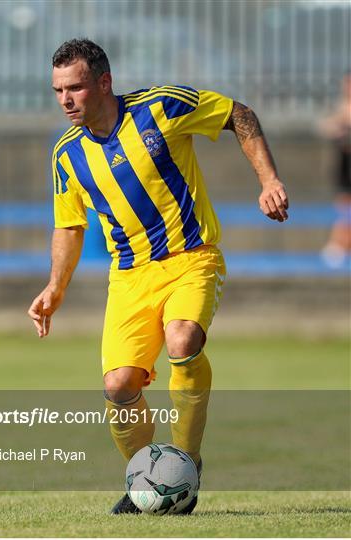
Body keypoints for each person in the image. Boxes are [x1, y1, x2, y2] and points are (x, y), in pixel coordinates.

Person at [28, 38, 289, 514]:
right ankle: (145, 480)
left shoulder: (161, 108)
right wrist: (54, 287)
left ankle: (185, 464)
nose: (66, 99)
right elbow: (69, 224)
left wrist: (269, 180)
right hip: (129, 277)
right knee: (118, 386)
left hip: (192, 258)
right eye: (58, 90)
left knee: (182, 340)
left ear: (104, 83)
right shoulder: (67, 154)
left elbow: (240, 114)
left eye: (76, 87)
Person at [320, 73, 351, 267]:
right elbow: (326, 126)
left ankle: (338, 245)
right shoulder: (342, 107)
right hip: (344, 163)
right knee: (343, 204)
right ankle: (339, 244)